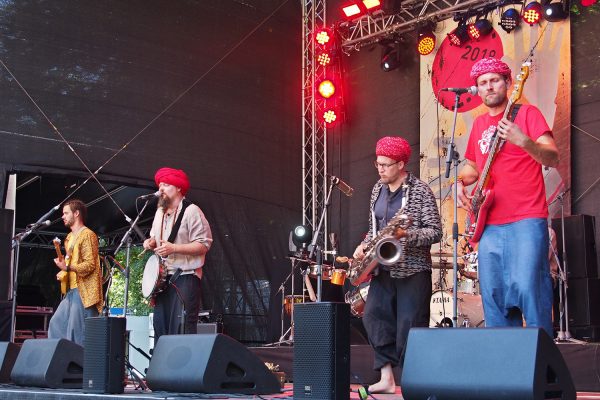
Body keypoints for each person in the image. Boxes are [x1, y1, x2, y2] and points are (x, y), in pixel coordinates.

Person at [455, 57, 559, 337]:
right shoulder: (478, 125)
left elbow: (552, 155)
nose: (489, 87)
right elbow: (472, 166)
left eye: (494, 80)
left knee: (529, 289)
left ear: (508, 83)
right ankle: (506, 370)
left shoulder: (528, 114)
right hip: (489, 224)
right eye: (482, 83)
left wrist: (523, 140)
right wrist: (459, 182)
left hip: (526, 218)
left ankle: (541, 367)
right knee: (495, 297)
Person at [353, 136, 442, 394]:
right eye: (378, 163)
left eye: (386, 164)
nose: (380, 168)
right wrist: (365, 245)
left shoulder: (420, 190)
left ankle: (414, 382)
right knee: (373, 318)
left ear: (401, 164)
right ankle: (386, 378)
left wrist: (406, 236)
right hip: (382, 266)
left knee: (409, 327)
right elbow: (376, 229)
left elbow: (435, 232)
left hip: (413, 269)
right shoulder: (376, 189)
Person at [143, 167, 212, 343]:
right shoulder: (159, 213)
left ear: (179, 188)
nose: (161, 189)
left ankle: (182, 370)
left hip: (186, 277)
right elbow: (154, 237)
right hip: (163, 280)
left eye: (166, 185)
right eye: (160, 185)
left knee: (182, 329)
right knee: (161, 329)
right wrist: (150, 242)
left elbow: (204, 244)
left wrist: (174, 248)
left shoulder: (192, 211)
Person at [49, 199, 103, 346]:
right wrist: (64, 272)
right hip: (71, 291)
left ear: (76, 213)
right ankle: (60, 363)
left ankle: (79, 368)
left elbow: (90, 265)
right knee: (56, 325)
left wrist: (68, 268)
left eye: (66, 213)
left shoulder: (88, 235)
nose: (63, 216)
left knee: (77, 333)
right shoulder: (69, 238)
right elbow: (70, 262)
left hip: (84, 291)